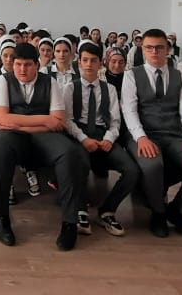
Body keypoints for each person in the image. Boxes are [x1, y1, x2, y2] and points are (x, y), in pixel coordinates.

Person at [0, 43, 88, 251]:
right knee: (1, 148)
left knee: (69, 152)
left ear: (37, 65)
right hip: (14, 136)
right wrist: (44, 120)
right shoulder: (4, 80)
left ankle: (69, 222)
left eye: (28, 65)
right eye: (18, 64)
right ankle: (1, 218)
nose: (22, 69)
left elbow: (58, 121)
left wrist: (20, 124)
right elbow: (1, 118)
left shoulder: (50, 82)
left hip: (42, 135)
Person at [122, 29, 182, 238]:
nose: (154, 51)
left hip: (174, 134)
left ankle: (178, 212)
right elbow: (129, 111)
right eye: (149, 47)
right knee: (152, 165)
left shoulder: (179, 76)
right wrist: (141, 138)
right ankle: (158, 212)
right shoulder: (132, 75)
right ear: (142, 49)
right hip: (143, 134)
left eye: (159, 47)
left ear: (167, 49)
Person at [66, 41, 137, 237]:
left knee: (131, 170)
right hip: (79, 135)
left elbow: (115, 121)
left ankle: (107, 210)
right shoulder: (70, 88)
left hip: (102, 135)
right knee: (78, 163)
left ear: (100, 63)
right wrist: (83, 139)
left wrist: (109, 139)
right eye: (85, 60)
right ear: (79, 62)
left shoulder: (110, 89)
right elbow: (67, 120)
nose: (89, 64)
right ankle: (80, 210)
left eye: (93, 60)